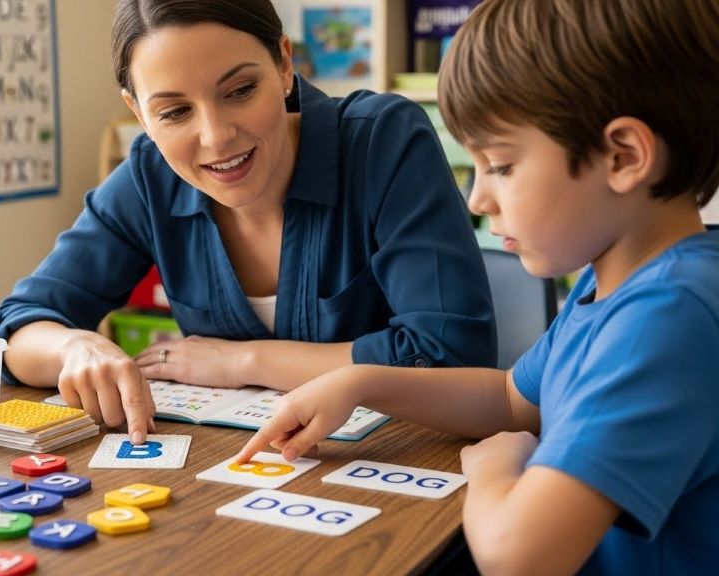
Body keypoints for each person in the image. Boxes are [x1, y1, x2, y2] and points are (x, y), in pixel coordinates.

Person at [237, 0, 719, 573]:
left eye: (502, 166)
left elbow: (519, 558)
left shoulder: (668, 315)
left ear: (623, 156)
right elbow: (514, 399)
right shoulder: (618, 283)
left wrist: (498, 467)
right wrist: (359, 382)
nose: (477, 199)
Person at [0, 0, 495, 445]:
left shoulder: (383, 141)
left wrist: (242, 361)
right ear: (139, 114)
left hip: (400, 468)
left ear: (283, 65)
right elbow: (15, 331)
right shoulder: (148, 176)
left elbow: (451, 357)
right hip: (236, 475)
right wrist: (77, 345)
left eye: (239, 90)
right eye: (174, 112)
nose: (216, 136)